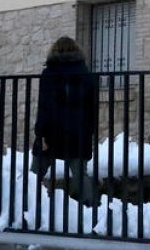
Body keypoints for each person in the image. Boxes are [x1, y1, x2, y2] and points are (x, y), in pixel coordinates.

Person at [32, 36, 99, 205]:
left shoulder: (49, 73)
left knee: (34, 174)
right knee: (80, 175)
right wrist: (89, 131)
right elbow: (92, 107)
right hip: (78, 131)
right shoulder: (85, 73)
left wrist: (40, 133)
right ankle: (91, 208)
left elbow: (44, 106)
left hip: (52, 130)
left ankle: (26, 203)